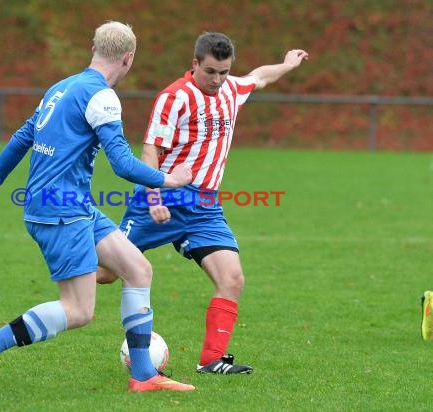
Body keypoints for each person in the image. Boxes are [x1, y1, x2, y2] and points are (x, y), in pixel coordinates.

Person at [0, 21, 196, 393]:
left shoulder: (61, 88)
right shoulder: (102, 97)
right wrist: (170, 180)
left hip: (71, 205)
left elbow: (23, 136)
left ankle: (144, 375)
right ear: (128, 58)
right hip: (60, 211)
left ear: (95, 49)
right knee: (79, 311)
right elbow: (121, 164)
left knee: (137, 268)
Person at [97, 32, 309, 374]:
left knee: (232, 278)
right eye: (210, 71)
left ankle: (212, 360)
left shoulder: (230, 90)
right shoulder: (174, 98)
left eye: (224, 72)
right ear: (195, 63)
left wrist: (286, 64)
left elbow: (259, 77)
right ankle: (69, 253)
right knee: (106, 273)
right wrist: (153, 197)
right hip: (163, 198)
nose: (217, 80)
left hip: (205, 208)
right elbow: (151, 150)